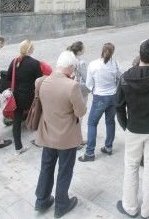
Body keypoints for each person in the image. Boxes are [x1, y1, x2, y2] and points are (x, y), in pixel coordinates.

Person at [116, 39, 149, 218]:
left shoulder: (125, 77)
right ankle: (148, 208)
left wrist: (126, 125)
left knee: (131, 166)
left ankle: (130, 206)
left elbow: (118, 106)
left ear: (139, 53)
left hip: (134, 128)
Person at [34, 50, 87, 218]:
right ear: (70, 67)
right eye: (73, 68)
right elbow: (80, 112)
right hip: (66, 137)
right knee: (64, 170)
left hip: (47, 133)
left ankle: (41, 201)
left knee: (46, 167)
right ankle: (61, 204)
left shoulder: (41, 82)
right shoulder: (72, 86)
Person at [79, 43, 121, 162]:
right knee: (110, 121)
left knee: (92, 123)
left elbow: (88, 84)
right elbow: (120, 77)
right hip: (112, 96)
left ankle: (90, 153)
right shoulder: (115, 63)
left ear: (102, 51)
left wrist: (93, 90)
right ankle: (108, 147)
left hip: (99, 97)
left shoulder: (93, 64)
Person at [6, 40, 42, 154]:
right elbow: (39, 80)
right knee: (40, 116)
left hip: (16, 97)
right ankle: (40, 140)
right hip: (31, 96)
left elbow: (8, 77)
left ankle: (18, 148)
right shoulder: (35, 63)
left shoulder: (14, 61)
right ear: (30, 49)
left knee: (16, 121)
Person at [67, 41, 88, 147]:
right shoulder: (81, 63)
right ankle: (77, 141)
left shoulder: (68, 60)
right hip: (80, 91)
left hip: (69, 89)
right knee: (79, 117)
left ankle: (72, 139)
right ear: (79, 50)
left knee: (72, 116)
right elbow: (86, 78)